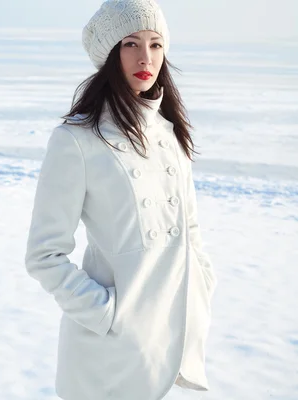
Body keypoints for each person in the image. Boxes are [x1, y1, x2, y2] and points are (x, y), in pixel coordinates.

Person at [24, 0, 218, 399]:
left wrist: (201, 283)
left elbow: (190, 230)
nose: (145, 57)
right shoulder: (77, 140)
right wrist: (108, 314)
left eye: (156, 44)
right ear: (110, 53)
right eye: (131, 43)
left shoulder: (171, 133)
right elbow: (44, 256)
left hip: (170, 338)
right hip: (107, 355)